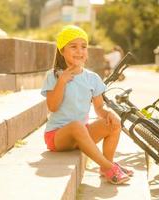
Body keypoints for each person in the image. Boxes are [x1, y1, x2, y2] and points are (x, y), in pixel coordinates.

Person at [41, 25, 133, 185]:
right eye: (73, 47)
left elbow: (99, 108)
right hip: (57, 137)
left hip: (81, 134)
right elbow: (52, 107)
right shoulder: (54, 75)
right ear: (62, 51)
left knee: (115, 122)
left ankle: (107, 166)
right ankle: (109, 166)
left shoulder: (92, 78)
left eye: (83, 47)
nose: (80, 51)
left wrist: (108, 113)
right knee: (77, 126)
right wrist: (61, 82)